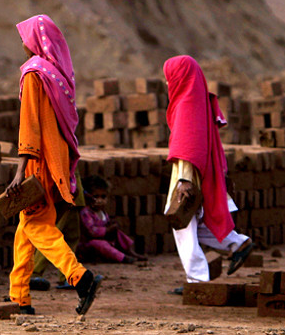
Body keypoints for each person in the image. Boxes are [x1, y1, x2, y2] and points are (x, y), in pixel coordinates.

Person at [6, 14, 101, 316]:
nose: (22, 43)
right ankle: (19, 297)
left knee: (36, 225)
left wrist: (20, 172)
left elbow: (30, 126)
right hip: (55, 161)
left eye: (25, 36)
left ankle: (80, 277)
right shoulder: (56, 74)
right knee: (26, 230)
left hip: (38, 164)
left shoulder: (34, 75)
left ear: (35, 40)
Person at [163, 55, 254, 288]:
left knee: (182, 225)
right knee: (200, 225)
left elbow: (187, 145)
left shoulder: (185, 104)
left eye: (169, 77)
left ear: (180, 76)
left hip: (188, 173)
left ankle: (197, 281)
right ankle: (236, 244)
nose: (166, 83)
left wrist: (184, 180)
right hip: (204, 171)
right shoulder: (199, 101)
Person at [77, 175, 146, 264]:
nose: (100, 200)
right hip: (88, 244)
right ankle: (122, 258)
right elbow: (91, 231)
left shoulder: (102, 213)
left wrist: (112, 226)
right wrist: (107, 230)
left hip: (104, 239)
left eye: (103, 197)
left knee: (119, 233)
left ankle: (130, 251)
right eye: (96, 196)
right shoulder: (86, 212)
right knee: (100, 244)